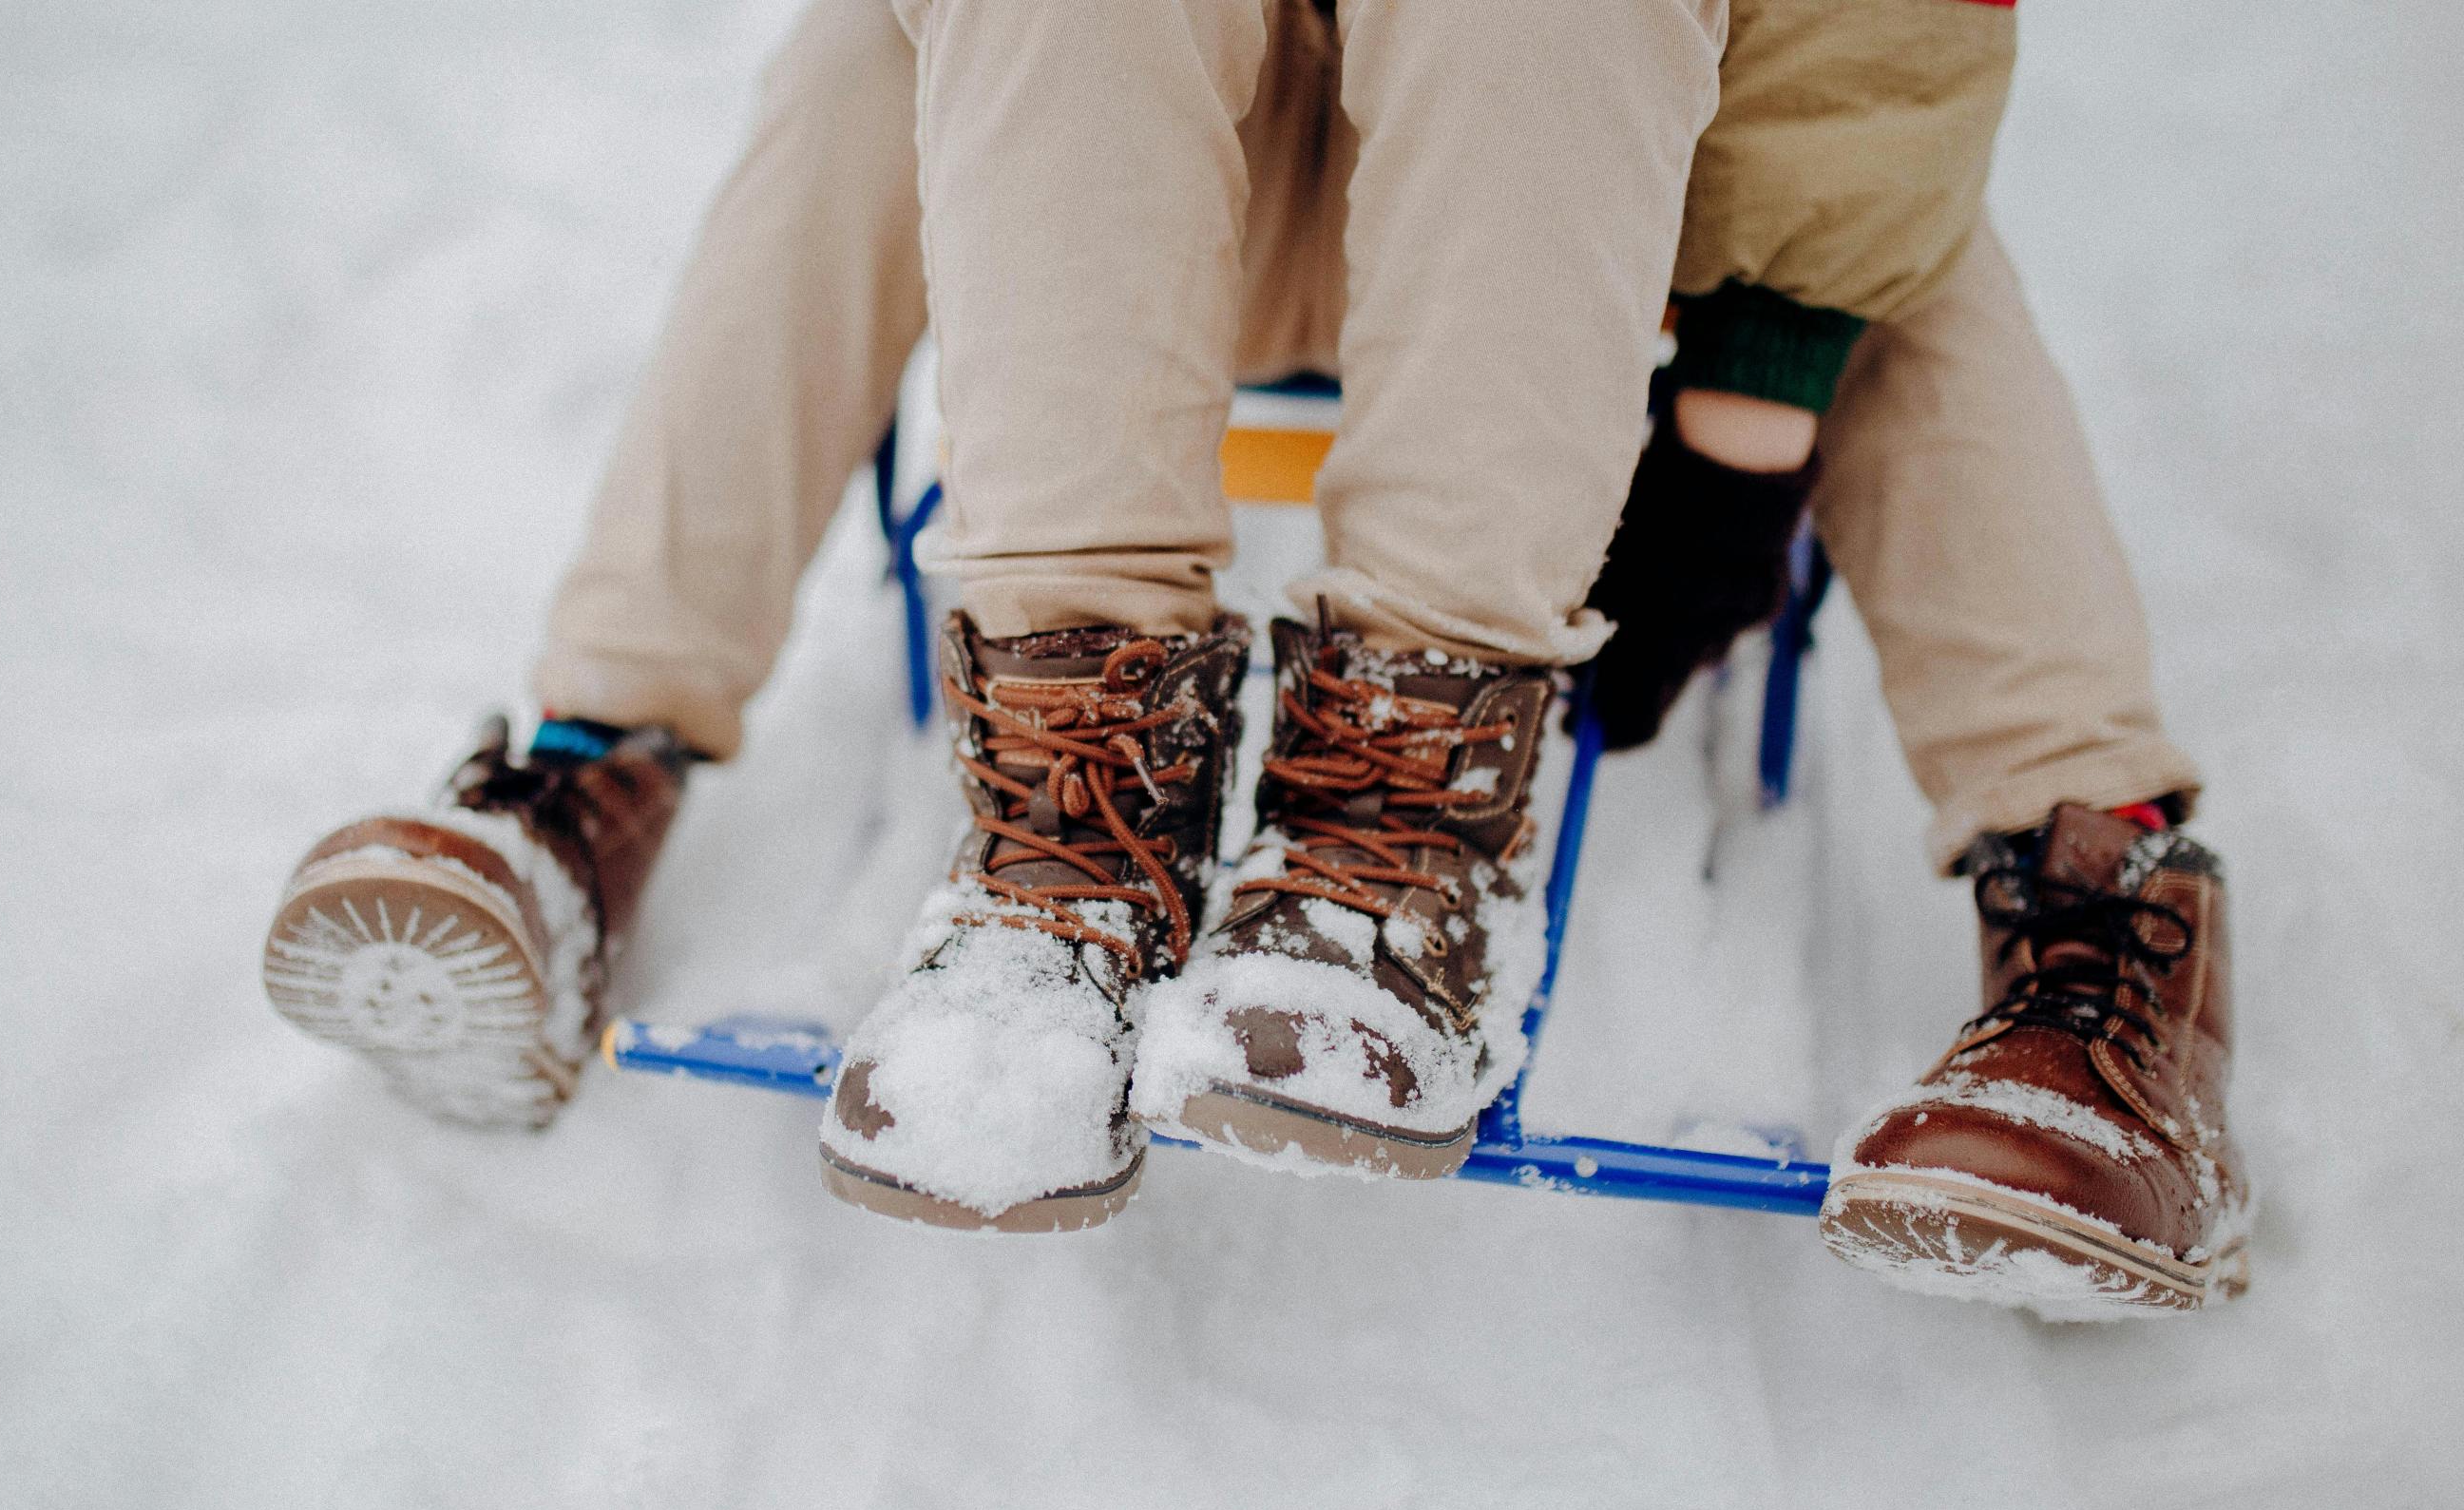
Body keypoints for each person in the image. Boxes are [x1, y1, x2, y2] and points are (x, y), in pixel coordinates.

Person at [263, 0, 2246, 1309]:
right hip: (1140, 148)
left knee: (1883, 209)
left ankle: (2091, 913)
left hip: (1593, 151)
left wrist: (1756, 396)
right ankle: (710, 783)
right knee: (881, 59)